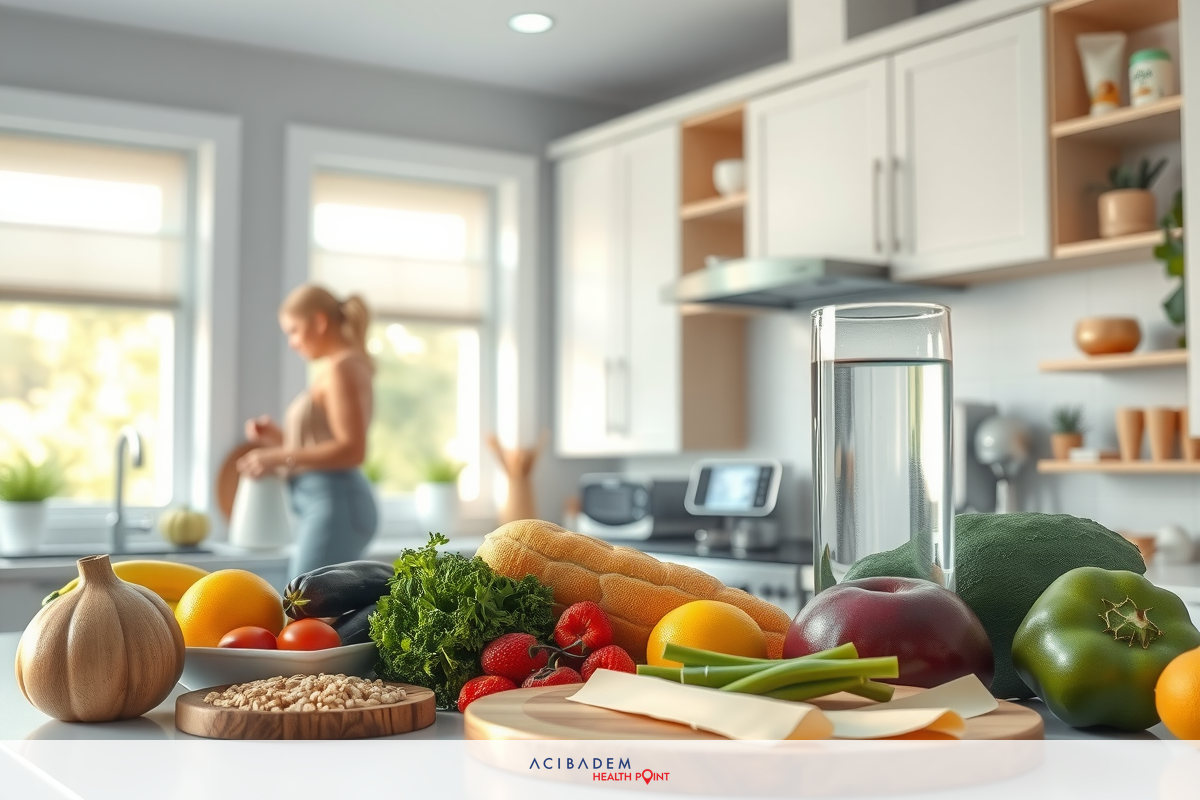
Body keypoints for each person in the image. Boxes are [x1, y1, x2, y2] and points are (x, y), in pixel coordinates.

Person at [237, 284, 378, 578]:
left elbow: (352, 449)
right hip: (328, 503)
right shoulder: (339, 368)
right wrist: (278, 440)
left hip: (337, 505)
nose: (291, 342)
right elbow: (324, 445)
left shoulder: (342, 369)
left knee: (300, 605)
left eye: (294, 330)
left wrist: (276, 457)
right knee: (308, 608)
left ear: (319, 322)